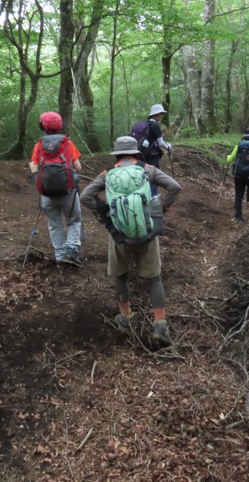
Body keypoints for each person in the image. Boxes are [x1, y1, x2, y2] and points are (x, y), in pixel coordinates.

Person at [80, 136, 182, 347]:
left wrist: (105, 214)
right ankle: (160, 325)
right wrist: (161, 210)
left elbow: (85, 197)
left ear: (116, 154)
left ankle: (125, 319)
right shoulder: (148, 169)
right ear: (136, 152)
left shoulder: (108, 174)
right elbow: (174, 187)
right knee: (154, 278)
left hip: (119, 234)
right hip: (147, 231)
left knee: (121, 275)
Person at [29, 112, 83, 266]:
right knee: (74, 220)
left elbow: (34, 166)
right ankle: (71, 250)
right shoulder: (68, 143)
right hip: (68, 191)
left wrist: (39, 182)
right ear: (60, 126)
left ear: (43, 127)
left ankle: (60, 258)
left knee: (54, 223)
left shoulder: (38, 145)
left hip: (46, 193)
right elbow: (78, 167)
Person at [131, 104, 172, 196]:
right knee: (153, 177)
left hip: (141, 155)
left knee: (143, 176)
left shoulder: (146, 125)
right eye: (161, 113)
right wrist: (168, 146)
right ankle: (153, 199)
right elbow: (161, 143)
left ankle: (141, 197)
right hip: (152, 156)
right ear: (156, 114)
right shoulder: (155, 126)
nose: (162, 116)